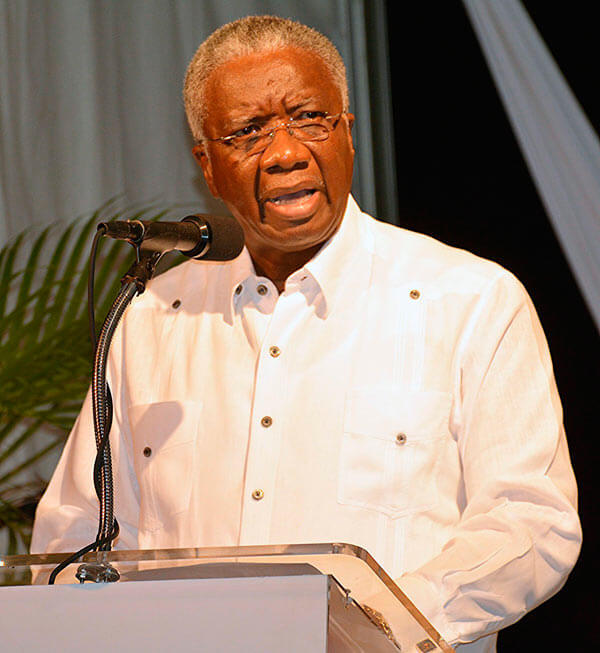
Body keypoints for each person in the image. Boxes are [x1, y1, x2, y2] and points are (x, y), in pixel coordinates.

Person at [31, 15, 581, 651]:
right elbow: (73, 534)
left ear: (348, 134)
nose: (286, 153)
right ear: (208, 168)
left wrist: (371, 624)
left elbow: (532, 524)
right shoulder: (152, 318)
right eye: (247, 132)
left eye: (309, 118)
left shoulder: (469, 301)